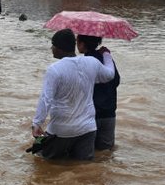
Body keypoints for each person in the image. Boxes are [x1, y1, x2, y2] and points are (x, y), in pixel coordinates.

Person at [28, 29, 116, 161]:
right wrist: (107, 55)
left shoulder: (55, 69)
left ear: (59, 48)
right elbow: (110, 75)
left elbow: (46, 99)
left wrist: (36, 124)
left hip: (60, 131)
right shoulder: (92, 62)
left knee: (40, 161)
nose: (51, 48)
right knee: (84, 170)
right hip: (87, 129)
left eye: (53, 45)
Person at [76, 35, 121, 151]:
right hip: (109, 113)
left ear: (82, 44)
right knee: (106, 154)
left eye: (77, 41)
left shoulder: (83, 63)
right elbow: (116, 81)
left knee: (86, 155)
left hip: (90, 115)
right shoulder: (107, 59)